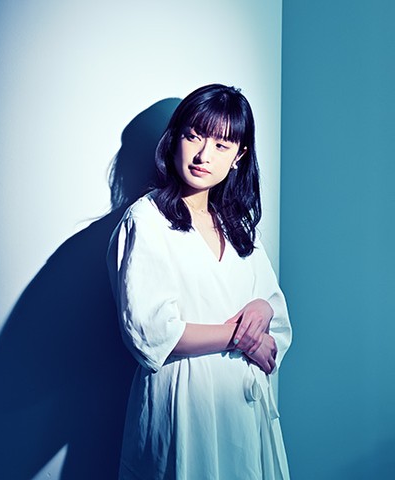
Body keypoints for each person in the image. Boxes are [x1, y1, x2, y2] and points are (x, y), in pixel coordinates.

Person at [107, 84, 292, 479]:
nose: (204, 155)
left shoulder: (238, 226)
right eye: (194, 136)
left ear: (239, 156)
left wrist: (263, 308)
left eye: (222, 145)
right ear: (175, 139)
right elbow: (153, 333)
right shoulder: (147, 220)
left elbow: (275, 334)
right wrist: (241, 337)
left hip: (242, 411)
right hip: (184, 405)